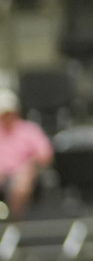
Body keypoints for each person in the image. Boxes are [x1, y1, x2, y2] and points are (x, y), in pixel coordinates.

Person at [0, 88, 52, 220]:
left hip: (23, 174)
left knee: (21, 184)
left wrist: (29, 165)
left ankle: (14, 222)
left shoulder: (29, 129)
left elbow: (45, 154)